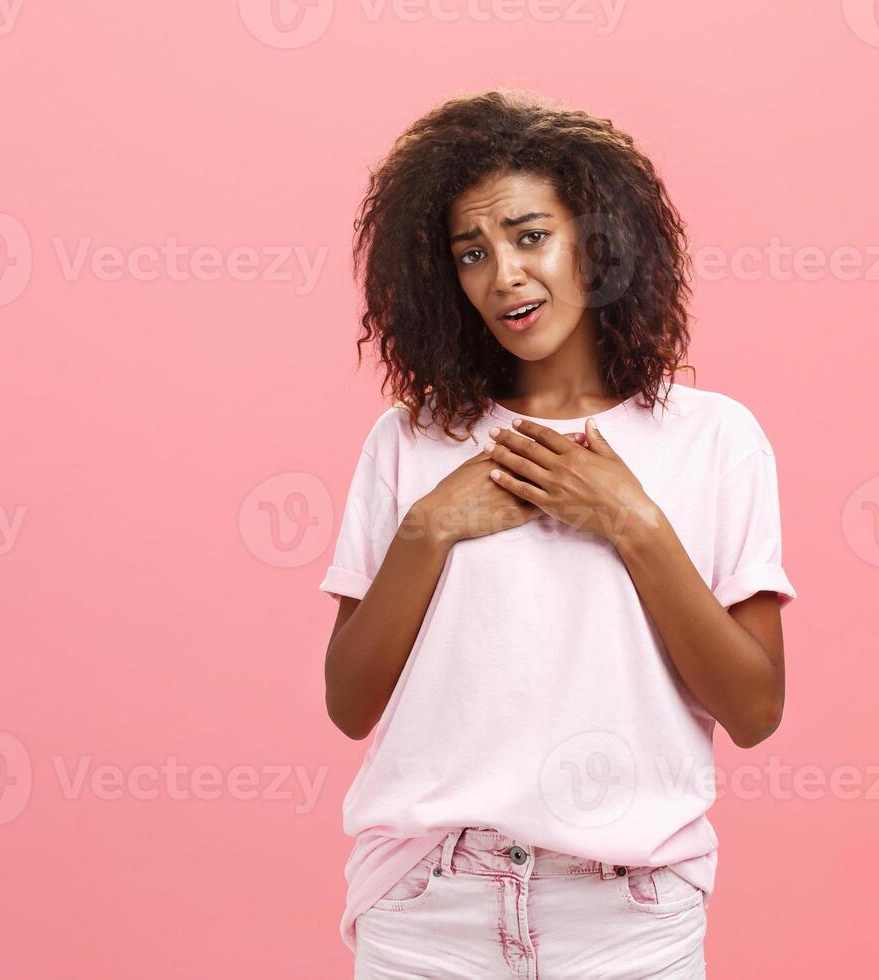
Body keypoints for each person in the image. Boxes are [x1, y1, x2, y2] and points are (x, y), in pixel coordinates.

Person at [320, 90, 796, 978]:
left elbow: (755, 709)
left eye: (531, 236)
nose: (503, 274)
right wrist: (430, 529)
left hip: (628, 917)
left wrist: (631, 522)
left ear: (599, 242)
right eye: (472, 253)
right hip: (430, 912)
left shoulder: (716, 439)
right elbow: (349, 704)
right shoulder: (410, 440)